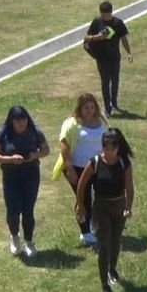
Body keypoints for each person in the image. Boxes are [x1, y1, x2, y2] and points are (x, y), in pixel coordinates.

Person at [75, 128, 135, 292]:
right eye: (105, 148)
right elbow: (82, 183)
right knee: (104, 245)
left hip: (119, 205)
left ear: (118, 148)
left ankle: (112, 269)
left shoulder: (124, 163)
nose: (108, 152)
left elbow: (130, 188)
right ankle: (104, 284)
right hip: (101, 207)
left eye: (112, 148)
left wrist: (128, 207)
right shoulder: (95, 162)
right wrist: (80, 205)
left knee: (116, 242)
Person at [0, 105, 50, 259]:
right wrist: (9, 159)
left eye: (24, 120)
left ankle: (29, 242)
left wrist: (35, 155)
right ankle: (15, 237)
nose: (22, 124)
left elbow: (46, 150)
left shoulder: (35, 132)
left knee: (28, 209)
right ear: (12, 121)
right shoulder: (2, 134)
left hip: (31, 174)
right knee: (13, 210)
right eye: (18, 121)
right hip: (11, 176)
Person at [55, 93, 106, 246]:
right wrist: (69, 167)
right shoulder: (72, 123)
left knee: (100, 196)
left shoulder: (101, 121)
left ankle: (93, 224)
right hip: (77, 167)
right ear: (80, 108)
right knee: (83, 198)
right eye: (86, 108)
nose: (89, 111)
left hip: (97, 166)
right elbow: (64, 144)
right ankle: (85, 232)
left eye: (92, 107)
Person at [84, 1, 133, 117]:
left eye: (107, 15)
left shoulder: (118, 23)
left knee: (115, 81)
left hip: (115, 57)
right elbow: (86, 37)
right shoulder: (97, 22)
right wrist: (97, 37)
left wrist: (129, 52)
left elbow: (123, 38)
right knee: (105, 82)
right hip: (102, 57)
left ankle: (114, 103)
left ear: (111, 12)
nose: (105, 17)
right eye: (103, 15)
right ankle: (107, 108)